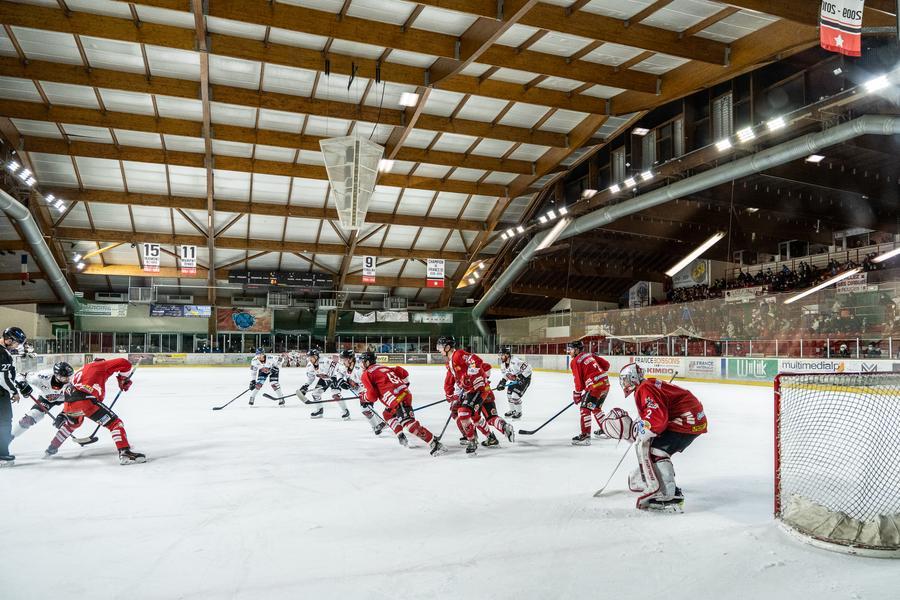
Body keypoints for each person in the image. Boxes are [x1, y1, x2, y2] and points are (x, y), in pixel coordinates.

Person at [619, 362, 707, 512]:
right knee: (653, 443)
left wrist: (646, 429)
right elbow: (656, 410)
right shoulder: (646, 385)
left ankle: (668, 494)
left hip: (687, 420)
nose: (624, 383)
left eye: (626, 379)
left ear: (633, 377)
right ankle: (653, 478)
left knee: (656, 449)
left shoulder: (644, 387)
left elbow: (658, 419)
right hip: (691, 418)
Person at [46, 357, 145, 465]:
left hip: (70, 404)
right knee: (115, 423)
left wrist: (64, 413)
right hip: (85, 401)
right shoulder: (100, 365)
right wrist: (122, 379)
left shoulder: (82, 370)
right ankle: (125, 452)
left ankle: (51, 448)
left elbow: (72, 394)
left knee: (73, 424)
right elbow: (124, 363)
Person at [437, 336, 514, 456]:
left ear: (447, 347)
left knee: (463, 413)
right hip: (472, 390)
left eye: (441, 347)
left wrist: (470, 375)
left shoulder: (458, 354)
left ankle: (472, 440)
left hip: (478, 389)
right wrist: (454, 395)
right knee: (474, 415)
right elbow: (454, 381)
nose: (439, 349)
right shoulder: (451, 362)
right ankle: (490, 437)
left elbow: (476, 361)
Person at [359, 352, 446, 456]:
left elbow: (372, 397)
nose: (361, 364)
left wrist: (363, 397)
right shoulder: (383, 367)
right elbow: (402, 372)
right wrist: (402, 387)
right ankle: (400, 435)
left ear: (367, 362)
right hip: (402, 396)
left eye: (362, 361)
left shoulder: (367, 374)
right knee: (387, 414)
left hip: (398, 399)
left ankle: (435, 443)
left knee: (409, 425)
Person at [11, 362, 73, 440]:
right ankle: (10, 437)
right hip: (46, 399)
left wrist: (63, 414)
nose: (67, 379)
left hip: (67, 399)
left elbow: (75, 402)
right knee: (29, 419)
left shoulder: (73, 382)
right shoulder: (42, 377)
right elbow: (21, 375)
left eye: (68, 377)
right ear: (57, 375)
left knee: (72, 416)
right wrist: (22, 384)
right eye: (64, 377)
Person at [566, 340, 610, 445]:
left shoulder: (575, 361)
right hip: (605, 383)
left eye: (571, 349)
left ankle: (585, 436)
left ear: (576, 350)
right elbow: (606, 365)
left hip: (595, 386)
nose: (569, 352)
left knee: (585, 409)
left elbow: (579, 382)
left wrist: (577, 394)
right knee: (596, 408)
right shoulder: (589, 355)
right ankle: (607, 430)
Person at [1, 327, 33, 466]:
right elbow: (2, 377)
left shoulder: (4, 352)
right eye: (15, 343)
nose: (16, 346)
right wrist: (14, 391)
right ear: (9, 339)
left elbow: (8, 374)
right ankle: (2, 453)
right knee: (4, 422)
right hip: (1, 393)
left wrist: (18, 383)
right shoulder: (1, 353)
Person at [336, 349, 385, 436]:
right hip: (359, 390)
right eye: (342, 359)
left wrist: (355, 386)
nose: (342, 361)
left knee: (365, 408)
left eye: (344, 359)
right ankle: (380, 423)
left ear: (350, 359)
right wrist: (340, 381)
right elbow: (339, 372)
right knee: (367, 408)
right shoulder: (344, 366)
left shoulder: (360, 369)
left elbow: (368, 383)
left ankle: (376, 426)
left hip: (366, 390)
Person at [299, 349, 349, 420]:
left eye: (311, 357)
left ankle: (345, 411)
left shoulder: (325, 361)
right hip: (324, 379)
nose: (310, 359)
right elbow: (311, 377)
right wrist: (305, 386)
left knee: (336, 394)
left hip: (333, 378)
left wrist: (338, 378)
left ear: (316, 356)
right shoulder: (309, 366)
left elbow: (338, 367)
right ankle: (319, 410)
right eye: (309, 357)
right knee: (315, 393)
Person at [496, 346, 532, 420]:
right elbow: (506, 374)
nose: (500, 357)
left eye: (502, 355)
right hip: (516, 380)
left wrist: (522, 377)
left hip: (525, 379)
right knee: (509, 393)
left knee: (515, 396)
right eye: (500, 355)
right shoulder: (503, 365)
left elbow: (529, 368)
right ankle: (512, 410)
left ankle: (519, 412)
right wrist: (502, 382)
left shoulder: (515, 361)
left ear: (507, 354)